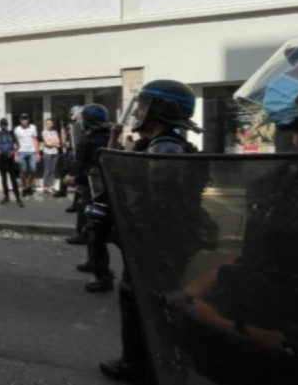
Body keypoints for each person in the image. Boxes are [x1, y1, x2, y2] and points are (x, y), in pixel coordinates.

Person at [180, 20, 298, 385]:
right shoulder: (284, 176)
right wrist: (201, 285)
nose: (292, 74)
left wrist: (215, 320)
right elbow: (262, 253)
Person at [100, 80, 204, 384]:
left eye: (144, 106)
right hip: (153, 244)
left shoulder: (165, 150)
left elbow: (158, 207)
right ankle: (140, 363)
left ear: (161, 110)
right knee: (140, 304)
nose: (139, 111)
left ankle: (143, 367)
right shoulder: (156, 144)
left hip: (156, 246)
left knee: (144, 306)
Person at [63, 104, 115, 292]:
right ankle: (93, 262)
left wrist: (75, 179)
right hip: (89, 191)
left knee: (96, 233)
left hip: (98, 193)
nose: (80, 121)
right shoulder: (95, 137)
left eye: (83, 118)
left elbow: (97, 171)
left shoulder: (100, 140)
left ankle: (103, 277)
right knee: (88, 229)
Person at [0, 118, 24, 207]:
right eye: (2, 124)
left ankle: (18, 198)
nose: (3, 126)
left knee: (13, 180)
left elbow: (18, 145)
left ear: (7, 125)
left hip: (10, 159)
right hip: (1, 159)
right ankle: (6, 196)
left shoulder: (12, 134)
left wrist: (13, 151)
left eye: (5, 124)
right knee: (4, 180)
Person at [14, 113, 39, 196]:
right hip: (21, 152)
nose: (24, 121)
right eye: (23, 119)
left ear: (28, 120)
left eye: (26, 119)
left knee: (33, 170)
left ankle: (28, 185)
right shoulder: (17, 129)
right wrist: (15, 154)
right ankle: (24, 188)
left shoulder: (33, 128)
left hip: (32, 152)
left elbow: (35, 140)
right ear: (20, 120)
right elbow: (15, 143)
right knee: (23, 172)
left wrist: (37, 153)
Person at [41, 118, 61, 193]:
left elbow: (58, 142)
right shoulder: (44, 132)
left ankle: (50, 186)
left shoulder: (55, 132)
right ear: (45, 125)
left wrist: (51, 142)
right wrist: (54, 143)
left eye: (50, 123)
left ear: (52, 124)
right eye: (47, 123)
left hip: (55, 153)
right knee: (47, 170)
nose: (49, 125)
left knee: (53, 170)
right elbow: (47, 143)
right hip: (47, 153)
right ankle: (45, 187)